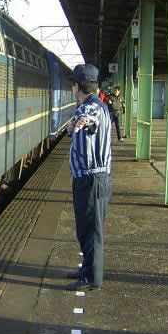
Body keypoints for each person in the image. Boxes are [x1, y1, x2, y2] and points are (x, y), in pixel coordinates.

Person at [65, 64, 113, 291]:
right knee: (85, 229)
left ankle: (92, 278)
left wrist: (81, 120)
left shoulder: (91, 107)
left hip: (92, 179)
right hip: (89, 178)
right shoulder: (96, 105)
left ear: (77, 86)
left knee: (91, 231)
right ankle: (87, 269)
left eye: (73, 85)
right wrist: (73, 125)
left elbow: (88, 117)